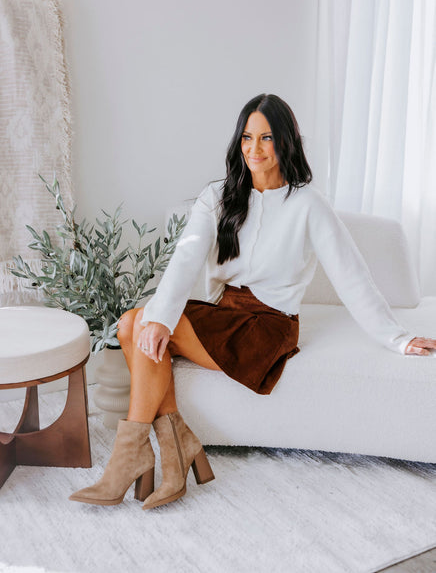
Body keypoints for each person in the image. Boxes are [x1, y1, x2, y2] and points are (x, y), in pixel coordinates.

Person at [70, 93, 436, 510]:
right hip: (225, 312)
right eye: (247, 137)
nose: (254, 149)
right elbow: (185, 258)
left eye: (266, 138)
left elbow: (352, 275)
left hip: (269, 326)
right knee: (131, 324)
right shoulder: (218, 196)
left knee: (137, 325)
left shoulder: (308, 204)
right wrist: (160, 317)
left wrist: (397, 337)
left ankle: (130, 460)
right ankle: (176, 449)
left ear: (285, 141)